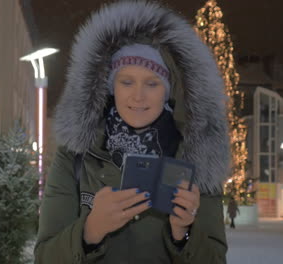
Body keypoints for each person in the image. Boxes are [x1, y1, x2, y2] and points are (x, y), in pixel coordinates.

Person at [34, 1, 230, 263]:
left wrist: (183, 234)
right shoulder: (76, 157)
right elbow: (45, 257)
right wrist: (90, 231)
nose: (138, 96)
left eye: (152, 83)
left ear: (168, 91)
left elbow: (215, 258)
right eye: (127, 82)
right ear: (111, 87)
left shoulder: (197, 160)